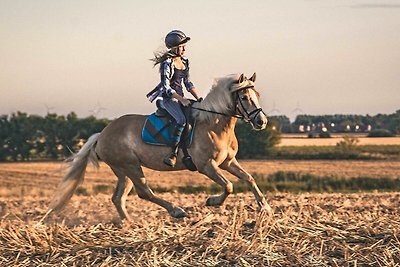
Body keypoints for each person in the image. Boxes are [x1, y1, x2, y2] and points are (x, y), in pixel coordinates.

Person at [147, 30, 202, 167]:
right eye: (182, 46)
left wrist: (199, 98)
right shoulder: (167, 63)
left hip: (180, 97)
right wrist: (182, 100)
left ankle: (190, 152)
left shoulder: (184, 62)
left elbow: (188, 84)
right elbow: (166, 87)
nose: (184, 49)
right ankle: (173, 153)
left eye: (185, 46)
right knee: (181, 120)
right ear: (174, 47)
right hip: (168, 98)